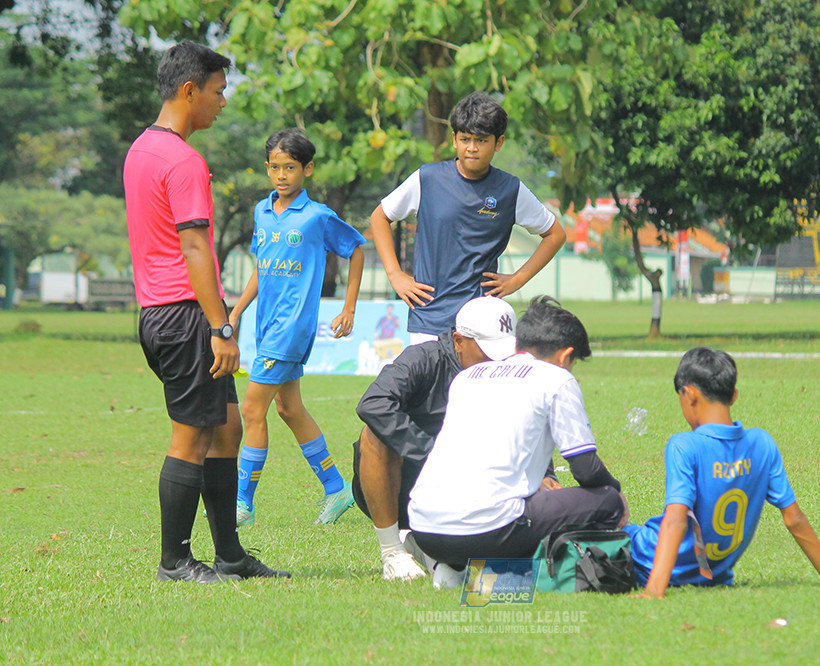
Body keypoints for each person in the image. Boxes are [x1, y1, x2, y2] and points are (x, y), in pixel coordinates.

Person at [123, 41, 288, 582]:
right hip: (185, 313)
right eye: (218, 92)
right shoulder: (184, 159)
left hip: (158, 312)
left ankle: (232, 557)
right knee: (192, 435)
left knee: (227, 428)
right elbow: (194, 248)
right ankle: (175, 562)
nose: (222, 102)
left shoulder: (141, 150)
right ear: (189, 90)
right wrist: (221, 326)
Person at [407, 296, 626, 587]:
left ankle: (453, 570)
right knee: (608, 501)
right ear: (565, 356)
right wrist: (616, 492)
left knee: (530, 501)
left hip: (425, 529)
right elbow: (585, 469)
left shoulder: (468, 377)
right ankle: (505, 581)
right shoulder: (556, 378)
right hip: (489, 529)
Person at [627, 347, 820, 597]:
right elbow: (794, 519)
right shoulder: (762, 444)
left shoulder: (684, 445)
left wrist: (654, 590)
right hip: (713, 577)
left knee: (605, 509)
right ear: (734, 395)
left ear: (689, 394)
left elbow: (675, 520)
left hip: (645, 561)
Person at [351, 296, 558, 582]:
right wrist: (434, 455)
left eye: (505, 351)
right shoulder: (423, 359)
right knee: (374, 433)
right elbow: (372, 403)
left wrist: (546, 475)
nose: (497, 361)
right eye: (488, 351)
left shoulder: (515, 371)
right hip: (407, 484)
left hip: (480, 490)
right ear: (459, 341)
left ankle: (439, 554)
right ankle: (392, 552)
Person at [227, 128, 365, 527]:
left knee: (252, 408)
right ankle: (337, 488)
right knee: (288, 408)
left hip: (292, 327)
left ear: (307, 169)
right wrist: (236, 313)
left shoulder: (318, 216)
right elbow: (262, 268)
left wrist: (349, 307)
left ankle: (241, 506)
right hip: (265, 325)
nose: (282, 175)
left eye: (290, 167)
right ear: (266, 168)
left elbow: (356, 249)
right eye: (275, 167)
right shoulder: (261, 211)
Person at [369, 91, 567, 345]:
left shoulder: (510, 190)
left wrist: (517, 279)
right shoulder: (427, 179)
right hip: (429, 318)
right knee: (432, 386)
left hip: (483, 321)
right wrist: (395, 274)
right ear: (454, 139)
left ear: (499, 142)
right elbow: (380, 217)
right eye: (465, 139)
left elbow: (555, 234)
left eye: (482, 141)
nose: (472, 148)